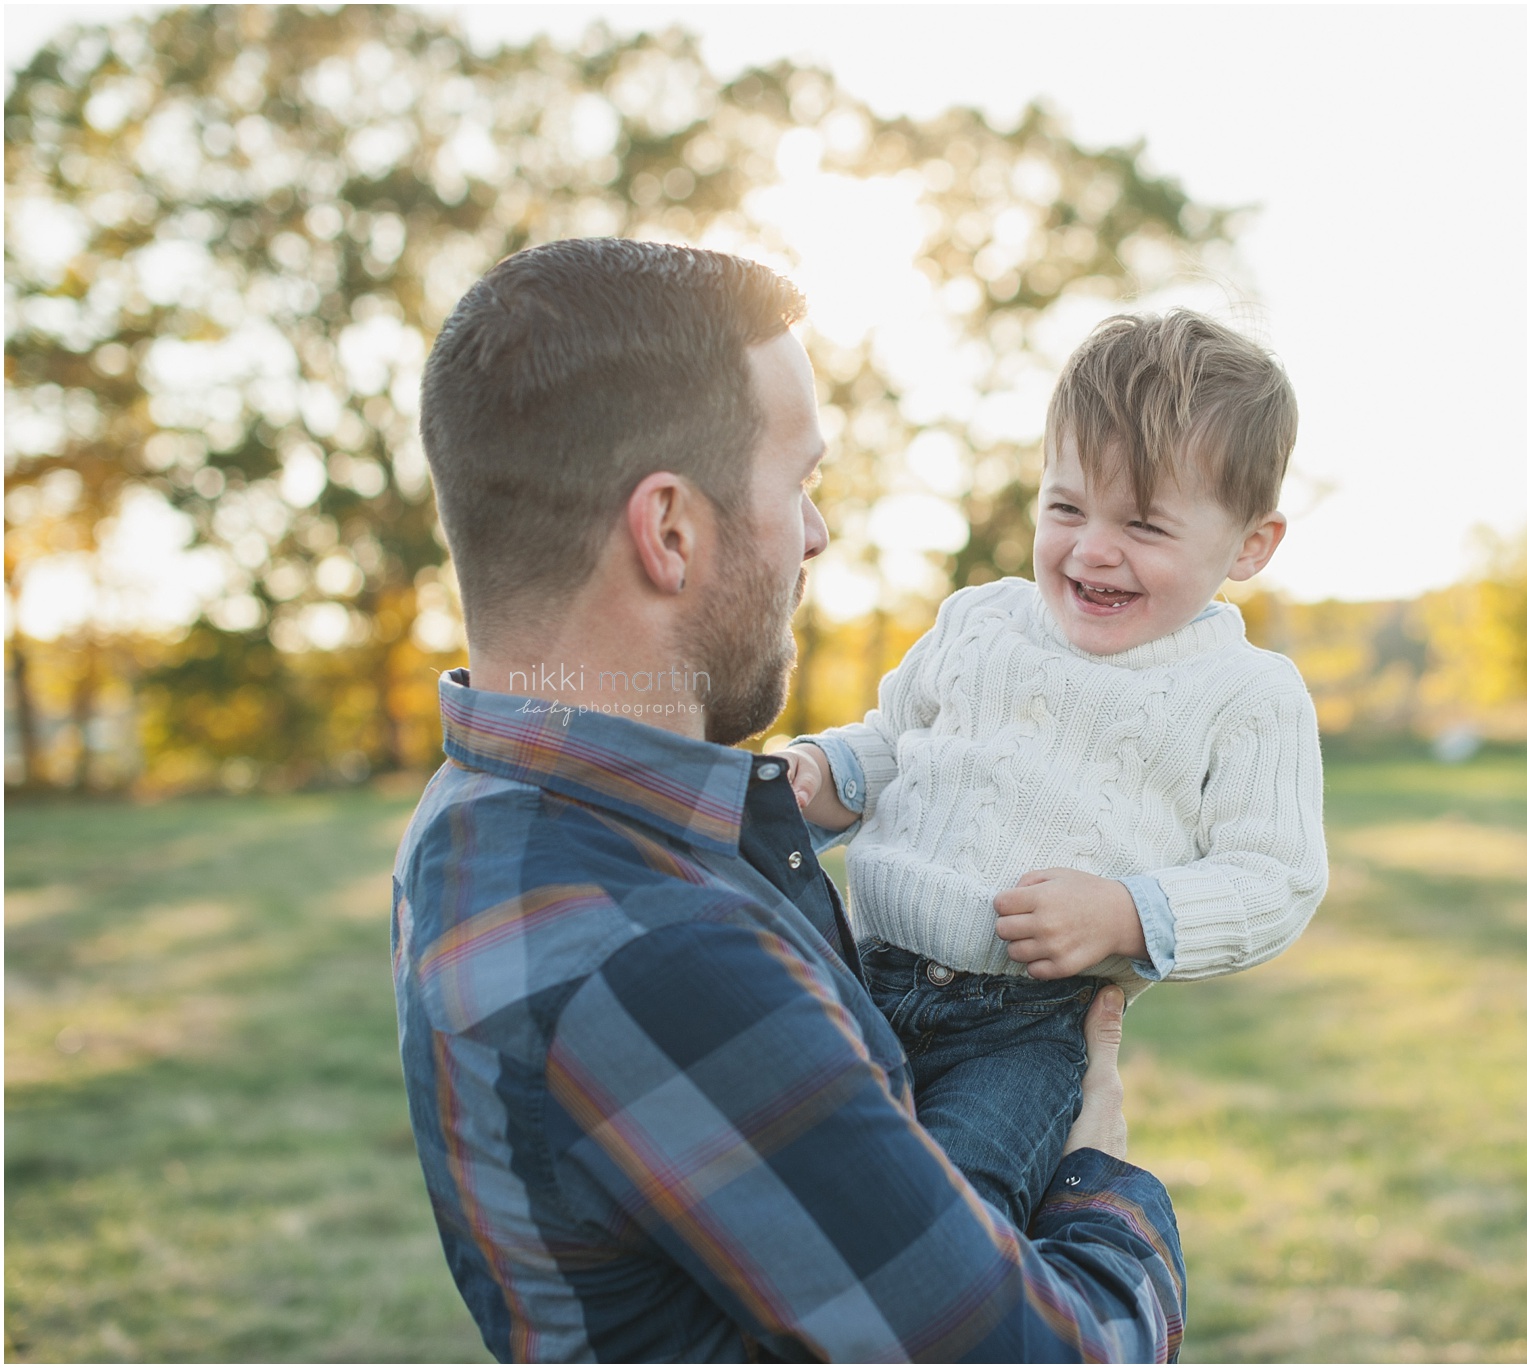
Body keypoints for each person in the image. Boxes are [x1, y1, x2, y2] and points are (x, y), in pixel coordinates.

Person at [392, 237, 1185, 1363]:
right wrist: (1102, 1177)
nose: (819, 533)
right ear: (670, 531)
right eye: (800, 481)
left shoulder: (475, 815)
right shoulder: (659, 956)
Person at [776, 311, 1328, 1231]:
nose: (1092, 548)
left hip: (1023, 1030)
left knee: (947, 1227)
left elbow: (1275, 879)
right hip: (865, 974)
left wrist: (1125, 913)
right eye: (1066, 507)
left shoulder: (1246, 693)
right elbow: (895, 748)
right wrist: (821, 772)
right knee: (793, 1191)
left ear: (1249, 547)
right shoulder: (981, 621)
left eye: (1144, 525)